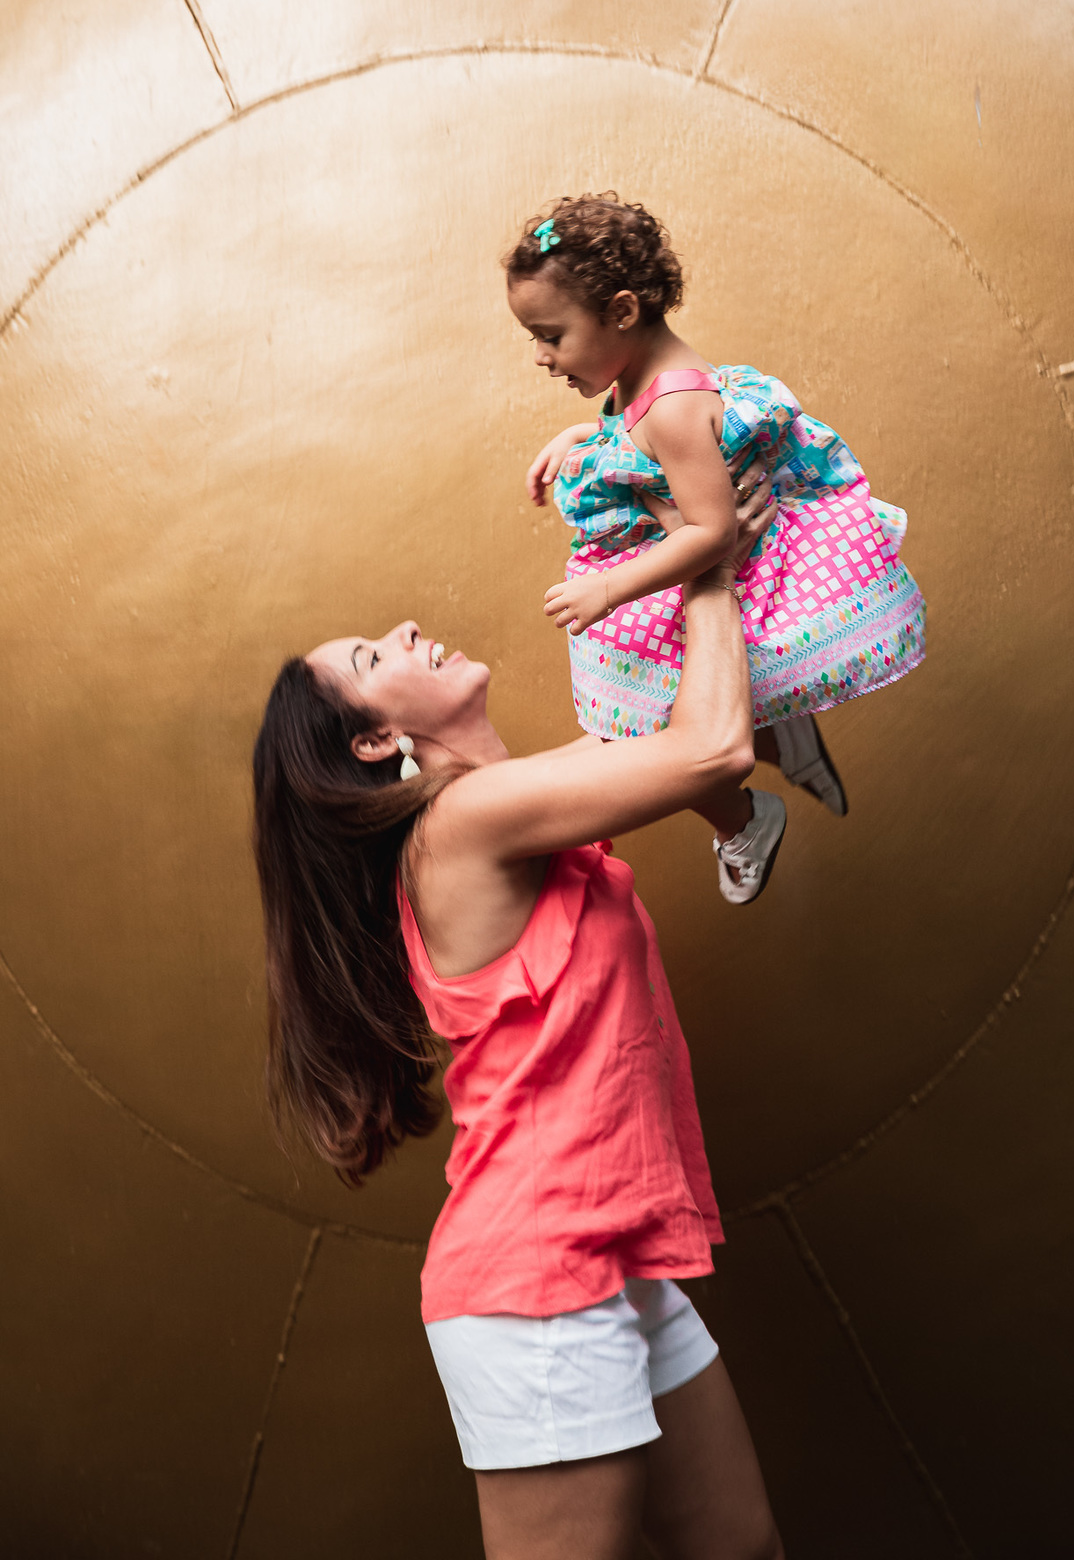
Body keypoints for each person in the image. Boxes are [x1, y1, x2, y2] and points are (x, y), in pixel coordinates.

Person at [251, 477, 785, 1560]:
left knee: (743, 1548)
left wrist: (703, 536)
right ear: (371, 743)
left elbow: (698, 725)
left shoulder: (513, 804)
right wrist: (705, 553)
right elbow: (713, 753)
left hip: (614, 1262)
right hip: (537, 1285)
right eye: (370, 657)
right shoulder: (462, 825)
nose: (403, 630)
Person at [507, 193, 926, 905]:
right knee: (651, 720)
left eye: (552, 335)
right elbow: (633, 441)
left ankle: (746, 822)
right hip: (696, 559)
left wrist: (608, 591)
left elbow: (712, 531)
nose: (543, 358)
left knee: (644, 729)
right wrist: (576, 438)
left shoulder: (672, 406)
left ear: (622, 312)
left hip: (714, 566)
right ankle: (784, 745)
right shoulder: (643, 380)